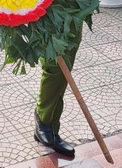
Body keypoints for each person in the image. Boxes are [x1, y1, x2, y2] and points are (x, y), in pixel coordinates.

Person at [34, 23, 81, 158]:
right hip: (48, 9)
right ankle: (43, 119)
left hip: (74, 7)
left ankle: (52, 128)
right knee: (54, 67)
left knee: (65, 66)